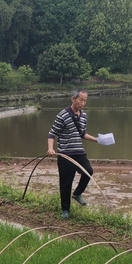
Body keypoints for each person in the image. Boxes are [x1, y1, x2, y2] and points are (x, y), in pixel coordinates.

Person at [47, 89, 98, 219]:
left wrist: (96, 139)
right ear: (73, 99)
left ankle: (77, 194)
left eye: (85, 101)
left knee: (88, 171)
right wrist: (50, 148)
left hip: (79, 152)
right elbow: (52, 133)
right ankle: (65, 210)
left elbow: (81, 133)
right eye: (81, 100)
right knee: (65, 183)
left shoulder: (84, 115)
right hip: (65, 154)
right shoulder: (62, 115)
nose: (83, 103)